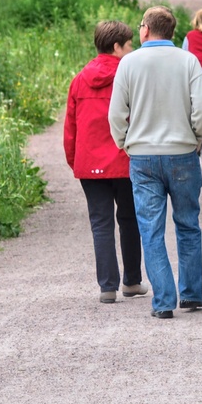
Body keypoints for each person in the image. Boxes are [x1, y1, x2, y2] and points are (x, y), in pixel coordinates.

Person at [108, 6, 202, 319]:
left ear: (145, 29)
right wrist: (198, 138)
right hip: (182, 153)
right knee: (188, 224)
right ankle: (191, 294)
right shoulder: (188, 61)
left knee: (151, 230)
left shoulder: (129, 63)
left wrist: (125, 143)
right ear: (171, 32)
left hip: (143, 157)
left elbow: (115, 113)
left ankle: (164, 301)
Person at [63, 20, 148, 304]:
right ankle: (132, 281)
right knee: (130, 220)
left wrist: (76, 161)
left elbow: (71, 127)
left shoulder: (79, 79)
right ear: (116, 47)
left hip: (90, 164)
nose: (132, 49)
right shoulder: (130, 76)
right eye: (129, 45)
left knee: (100, 224)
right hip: (125, 160)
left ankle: (107, 287)